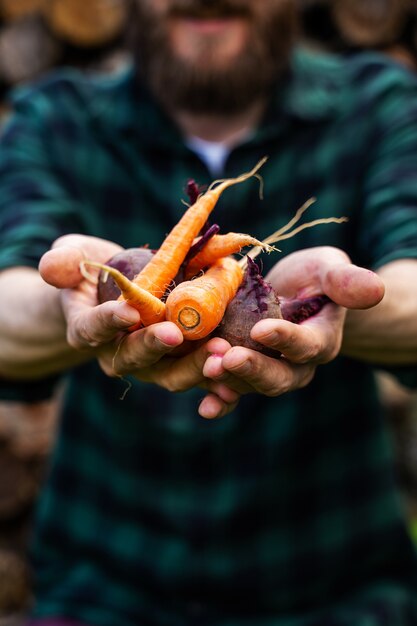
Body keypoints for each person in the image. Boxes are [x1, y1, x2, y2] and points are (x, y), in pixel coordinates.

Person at [0, 0, 417, 624]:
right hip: (104, 592)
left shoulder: (380, 104)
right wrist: (76, 293)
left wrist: (330, 304)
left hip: (335, 589)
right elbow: (5, 316)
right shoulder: (54, 115)